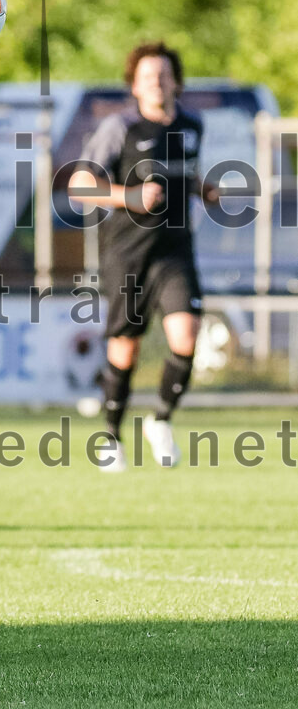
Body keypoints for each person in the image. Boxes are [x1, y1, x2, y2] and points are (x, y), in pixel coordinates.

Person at [68, 42, 218, 471]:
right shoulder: (120, 128)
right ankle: (111, 437)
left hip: (174, 250)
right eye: (148, 75)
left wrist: (202, 188)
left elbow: (181, 172)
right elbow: (80, 186)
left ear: (177, 81)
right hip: (126, 251)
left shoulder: (193, 125)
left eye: (164, 74)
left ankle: (161, 420)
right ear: (134, 84)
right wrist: (128, 196)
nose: (157, 81)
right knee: (125, 349)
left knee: (186, 336)